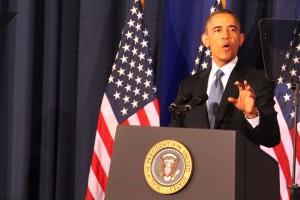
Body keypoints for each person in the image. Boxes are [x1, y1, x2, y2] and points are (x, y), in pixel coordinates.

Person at [169, 9, 280, 148]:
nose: (225, 36)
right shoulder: (189, 85)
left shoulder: (258, 81)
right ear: (205, 40)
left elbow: (272, 139)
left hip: (237, 167)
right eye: (218, 30)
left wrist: (252, 114)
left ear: (241, 39)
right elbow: (174, 133)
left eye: (232, 29)